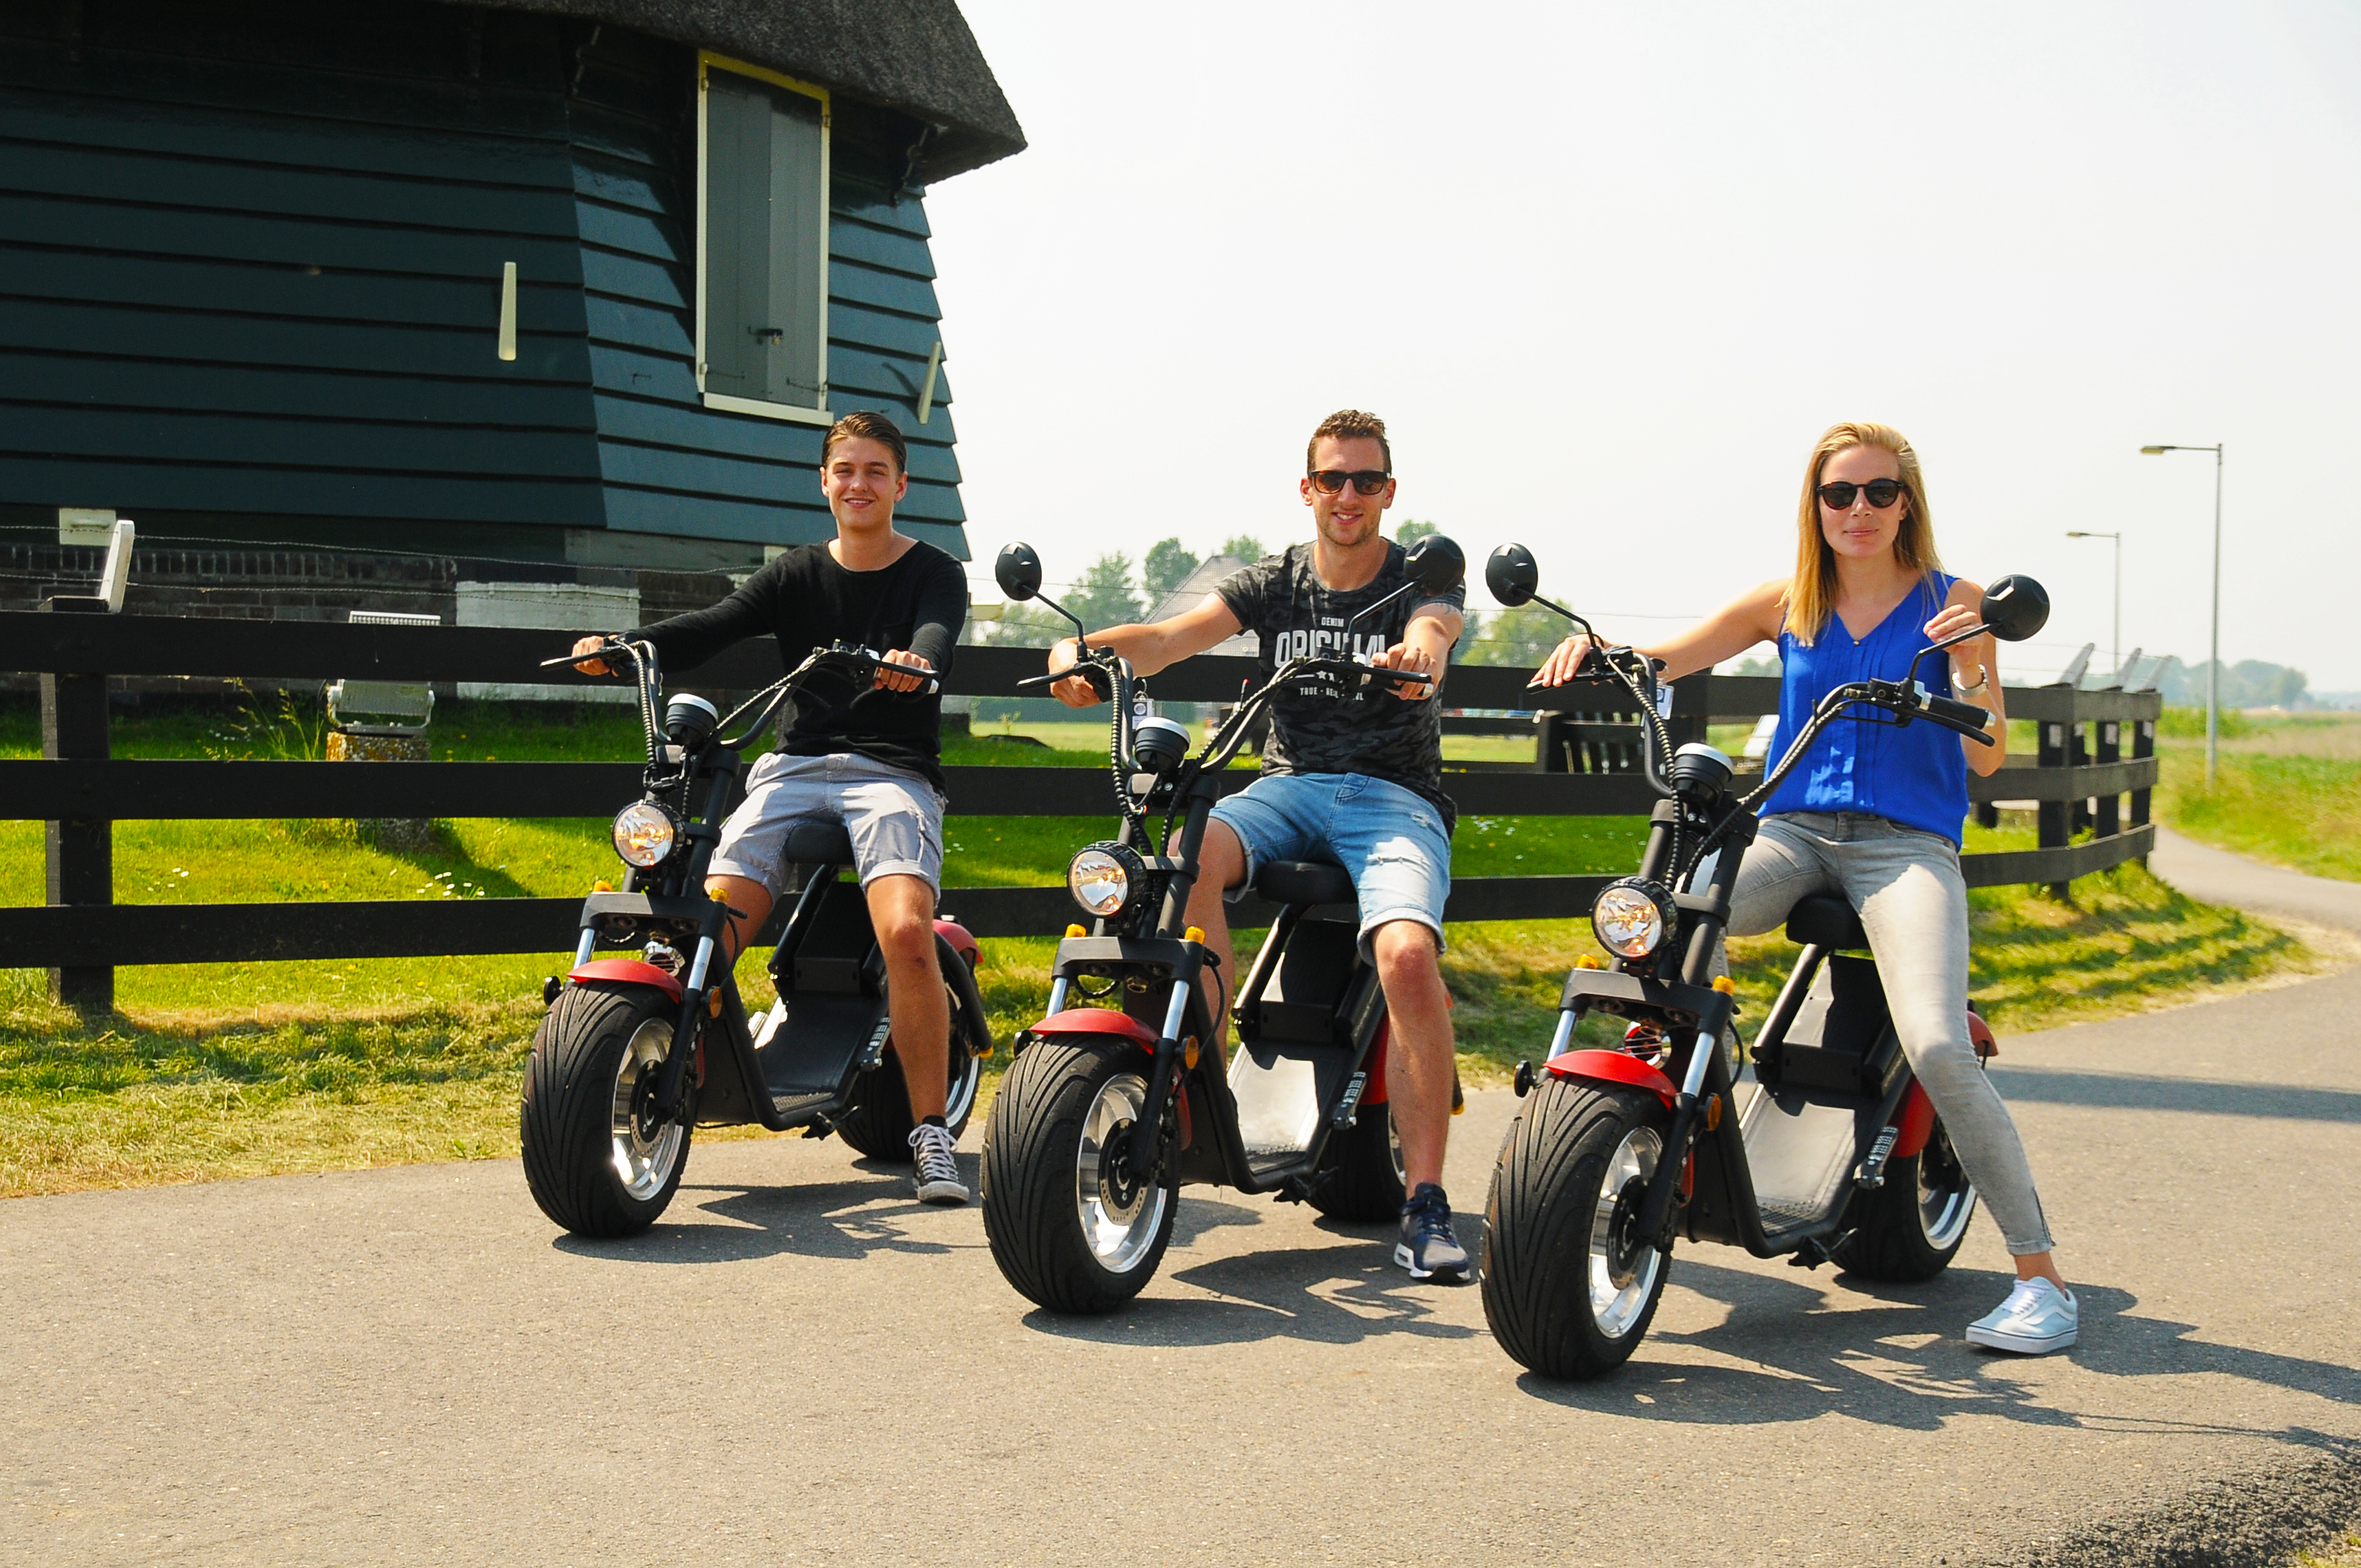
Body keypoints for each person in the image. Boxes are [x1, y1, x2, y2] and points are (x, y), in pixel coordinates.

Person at [1530, 420, 2076, 1353]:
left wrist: (1973, 665)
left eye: (1878, 493)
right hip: (1789, 830)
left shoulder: (1956, 599)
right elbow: (1672, 656)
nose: (1858, 510)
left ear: (1908, 502)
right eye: (1839, 494)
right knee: (1661, 928)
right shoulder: (1792, 599)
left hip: (1904, 847)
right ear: (1815, 506)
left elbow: (1988, 759)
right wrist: (1597, 648)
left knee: (1940, 1043)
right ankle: (1657, 1092)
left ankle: (2042, 1283)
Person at [1042, 409, 1473, 1280]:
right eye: (1331, 480)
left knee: (1405, 957)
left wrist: (1418, 657)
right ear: (1306, 489)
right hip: (1288, 786)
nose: (1347, 496)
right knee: (1179, 864)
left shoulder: (1419, 574)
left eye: (1366, 481)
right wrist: (1082, 650)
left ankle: (1426, 1202)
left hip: (1396, 798)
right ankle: (1192, 1068)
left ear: (1390, 491)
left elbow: (1436, 635)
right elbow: (1169, 639)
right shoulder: (1274, 580)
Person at [570, 410, 972, 1205]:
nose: (858, 485)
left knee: (902, 931)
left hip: (893, 773)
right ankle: (683, 1060)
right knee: (711, 920)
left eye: (874, 472)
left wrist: (916, 662)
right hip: (793, 767)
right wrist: (629, 646)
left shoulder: (936, 570)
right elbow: (717, 625)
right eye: (844, 471)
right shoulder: (794, 574)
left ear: (900, 485)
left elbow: (936, 634)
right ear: (825, 482)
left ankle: (930, 1133)